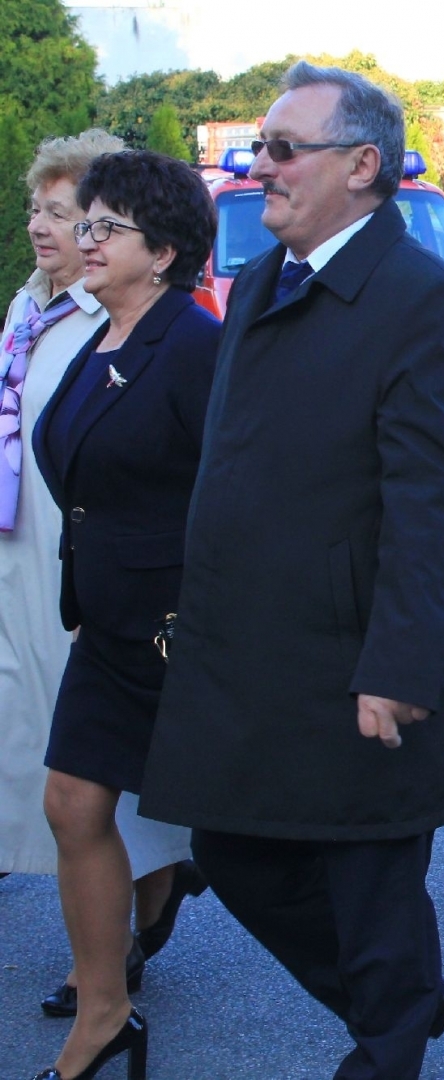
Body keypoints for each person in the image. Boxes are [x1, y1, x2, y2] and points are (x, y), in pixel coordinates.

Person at [136, 62, 444, 1078]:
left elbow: (441, 505)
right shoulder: (260, 283)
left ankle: (386, 1040)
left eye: (285, 149)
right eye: (260, 149)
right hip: (252, 654)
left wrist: (399, 663)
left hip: (357, 664)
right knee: (234, 849)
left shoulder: (426, 300)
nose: (263, 168)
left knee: (372, 891)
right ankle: (403, 1002)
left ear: (363, 165)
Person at [2, 130, 206, 1022]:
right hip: (93, 604)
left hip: (169, 623)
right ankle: (103, 1007)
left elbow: (228, 493)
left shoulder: (191, 344)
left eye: (98, 224)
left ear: (159, 252)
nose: (80, 239)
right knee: (71, 800)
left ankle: (392, 985)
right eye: (66, 220)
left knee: (250, 846)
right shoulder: (69, 322)